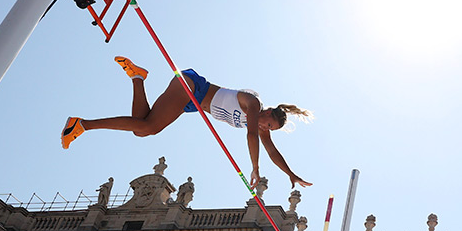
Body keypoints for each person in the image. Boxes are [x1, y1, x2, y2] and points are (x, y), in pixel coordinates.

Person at [62, 57, 313, 189]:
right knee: (150, 128)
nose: (265, 129)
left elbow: (272, 152)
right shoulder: (253, 104)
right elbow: (251, 137)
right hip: (193, 88)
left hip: (192, 103)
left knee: (142, 128)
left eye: (269, 129)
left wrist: (291, 174)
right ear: (267, 111)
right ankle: (82, 124)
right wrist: (255, 168)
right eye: (268, 124)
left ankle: (138, 77)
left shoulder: (259, 125)